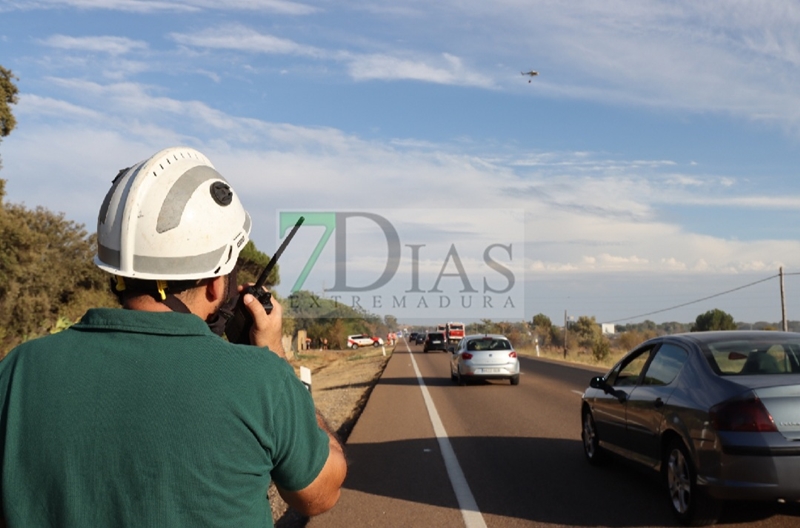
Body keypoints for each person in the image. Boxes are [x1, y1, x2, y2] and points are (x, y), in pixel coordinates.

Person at [0, 147, 347, 527]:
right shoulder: (261, 381)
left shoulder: (18, 369)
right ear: (218, 284)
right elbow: (320, 493)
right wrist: (276, 353)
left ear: (115, 270)